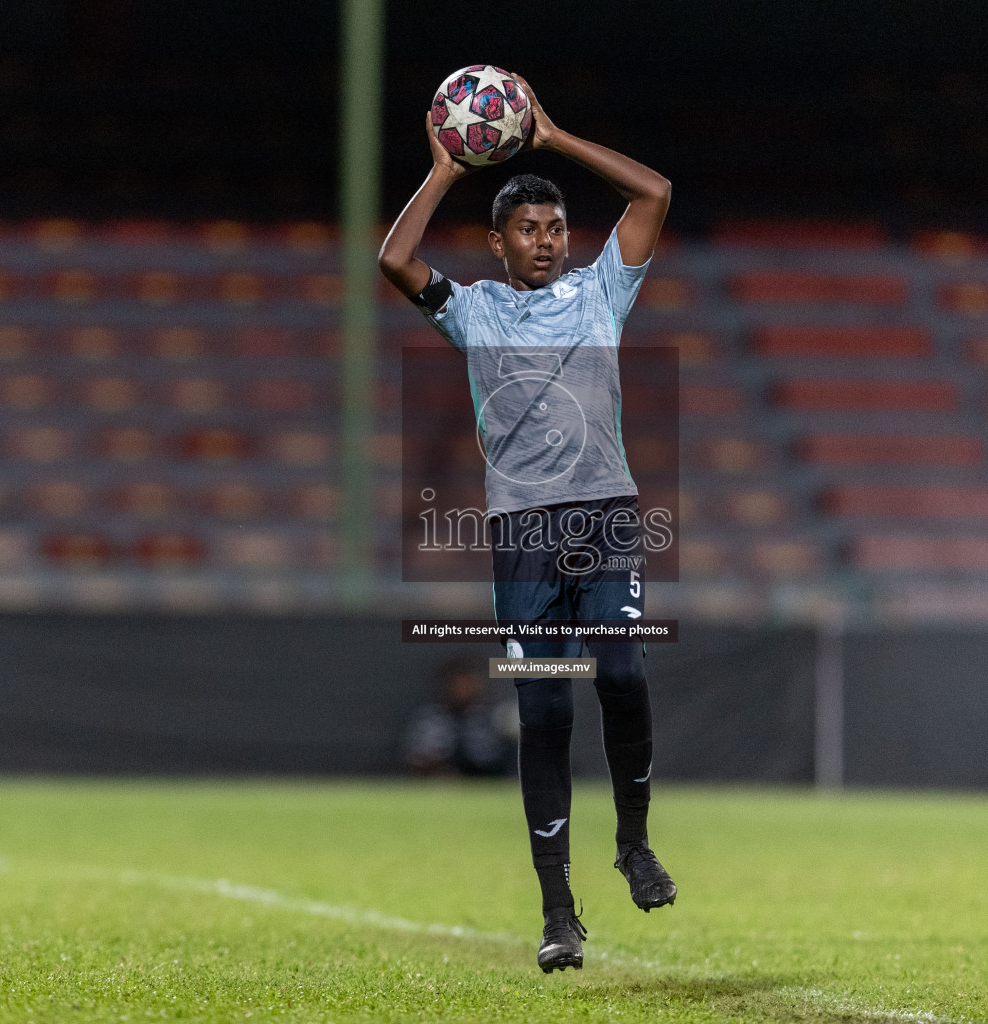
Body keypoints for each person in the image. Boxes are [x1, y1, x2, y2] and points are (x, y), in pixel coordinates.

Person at [378, 74, 675, 973]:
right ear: (498, 241)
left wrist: (548, 136)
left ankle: (633, 841)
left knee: (619, 672)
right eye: (528, 229)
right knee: (544, 706)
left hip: (607, 517)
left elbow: (653, 192)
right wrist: (442, 168)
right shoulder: (475, 312)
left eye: (555, 228)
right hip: (525, 535)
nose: (545, 240)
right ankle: (559, 912)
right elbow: (394, 261)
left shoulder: (602, 293)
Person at [402, 657, 519, 777]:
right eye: (457, 684)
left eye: (469, 684)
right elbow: (416, 762)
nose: (462, 690)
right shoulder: (429, 720)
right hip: (445, 784)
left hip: (490, 780)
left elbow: (510, 758)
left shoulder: (496, 719)